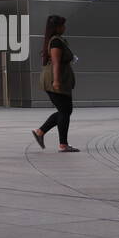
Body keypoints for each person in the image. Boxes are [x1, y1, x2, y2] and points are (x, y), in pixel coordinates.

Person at [32, 15, 80, 152]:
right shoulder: (55, 42)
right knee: (65, 110)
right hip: (55, 80)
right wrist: (57, 81)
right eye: (62, 25)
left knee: (64, 110)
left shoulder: (58, 40)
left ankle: (40, 132)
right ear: (56, 27)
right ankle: (62, 144)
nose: (64, 27)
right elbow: (56, 63)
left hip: (60, 79)